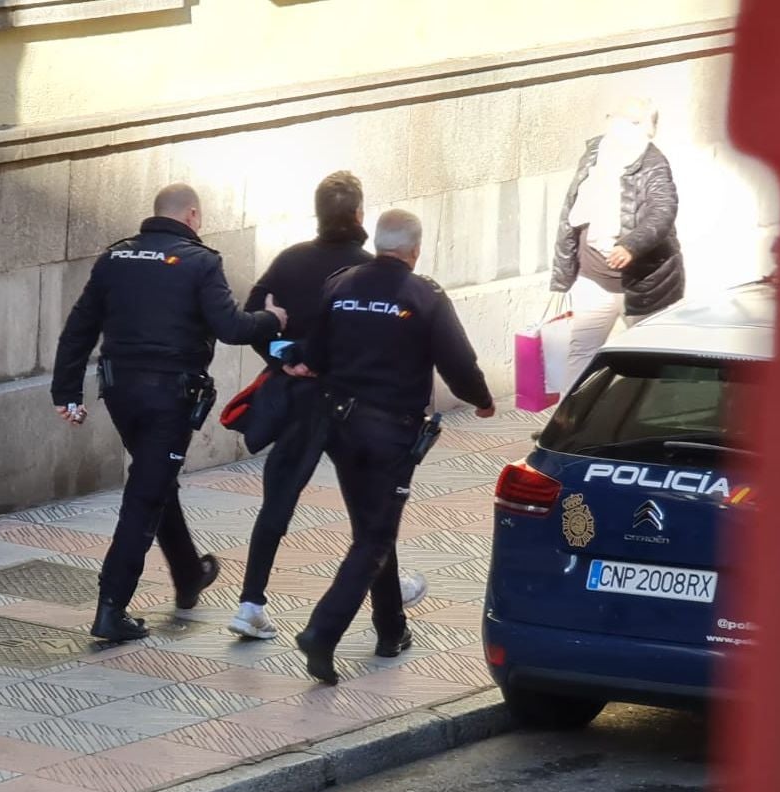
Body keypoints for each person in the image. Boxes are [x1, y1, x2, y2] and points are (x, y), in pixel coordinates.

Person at [51, 183, 288, 642]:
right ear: (192, 215)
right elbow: (231, 326)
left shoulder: (114, 258)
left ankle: (188, 575)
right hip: (171, 398)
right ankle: (111, 609)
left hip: (120, 394)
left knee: (154, 480)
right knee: (144, 496)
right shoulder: (202, 262)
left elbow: (78, 330)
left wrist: (67, 394)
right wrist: (273, 321)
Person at [286, 210, 494, 684]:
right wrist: (482, 402)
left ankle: (390, 629)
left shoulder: (340, 286)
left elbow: (314, 355)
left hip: (340, 428)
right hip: (391, 436)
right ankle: (322, 630)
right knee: (375, 537)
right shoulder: (424, 295)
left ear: (378, 243)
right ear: (415, 250)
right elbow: (459, 364)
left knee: (371, 527)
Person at [232, 172, 429, 641]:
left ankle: (250, 602)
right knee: (371, 510)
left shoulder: (290, 261)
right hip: (348, 406)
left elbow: (255, 316)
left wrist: (283, 359)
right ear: (360, 216)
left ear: (318, 213)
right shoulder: (371, 271)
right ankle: (388, 594)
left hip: (298, 402)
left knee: (277, 502)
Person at [552, 98, 685, 388]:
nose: (647, 132)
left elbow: (662, 211)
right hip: (592, 276)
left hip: (642, 282)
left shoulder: (654, 163)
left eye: (648, 124)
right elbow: (571, 210)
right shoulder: (594, 152)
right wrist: (564, 272)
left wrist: (631, 245)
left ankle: (646, 420)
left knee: (648, 357)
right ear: (612, 121)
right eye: (636, 124)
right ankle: (566, 422)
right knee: (581, 351)